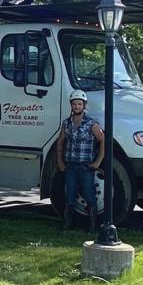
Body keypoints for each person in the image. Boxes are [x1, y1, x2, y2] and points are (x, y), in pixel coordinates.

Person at [56, 89, 105, 230]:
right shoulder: (66, 123)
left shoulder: (91, 124)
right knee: (70, 194)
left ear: (84, 105)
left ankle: (93, 225)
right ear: (71, 105)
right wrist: (60, 161)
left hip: (85, 166)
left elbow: (103, 140)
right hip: (70, 165)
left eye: (79, 104)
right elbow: (60, 142)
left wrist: (98, 161)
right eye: (74, 104)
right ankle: (67, 224)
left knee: (89, 194)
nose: (77, 106)